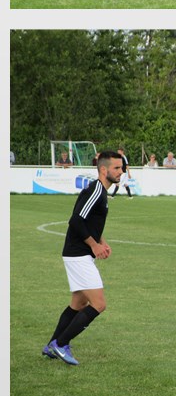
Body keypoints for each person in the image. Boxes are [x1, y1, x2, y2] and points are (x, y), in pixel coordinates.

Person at [42, 151, 124, 365]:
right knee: (98, 304)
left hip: (78, 253)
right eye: (116, 168)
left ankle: (51, 344)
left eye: (121, 168)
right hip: (78, 254)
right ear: (103, 170)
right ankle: (61, 344)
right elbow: (76, 221)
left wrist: (101, 241)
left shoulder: (101, 192)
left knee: (78, 303)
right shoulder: (96, 190)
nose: (121, 171)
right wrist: (94, 244)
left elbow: (89, 222)